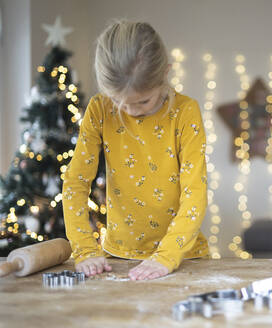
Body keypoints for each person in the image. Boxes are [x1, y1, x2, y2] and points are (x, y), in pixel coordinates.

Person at [62, 20, 208, 281]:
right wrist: (84, 249)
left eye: (143, 101)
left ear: (166, 73)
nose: (130, 111)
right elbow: (76, 183)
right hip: (119, 257)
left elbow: (194, 193)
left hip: (184, 257)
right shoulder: (100, 109)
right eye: (119, 101)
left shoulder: (185, 112)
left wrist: (167, 255)